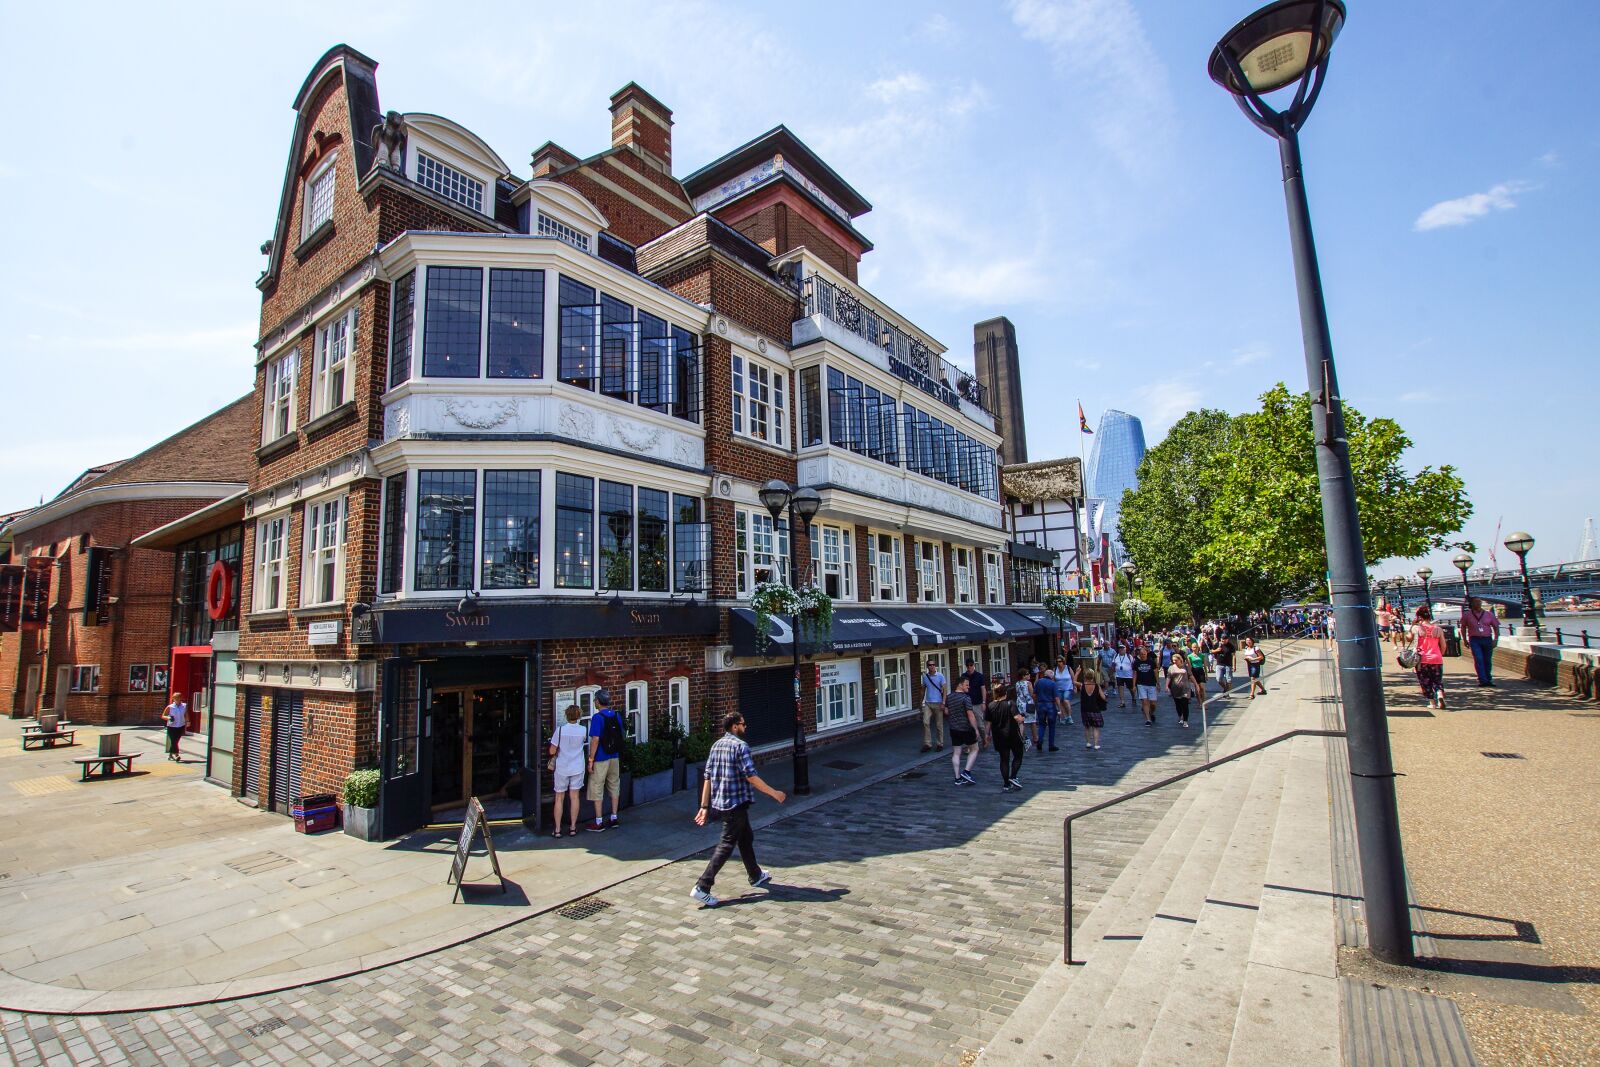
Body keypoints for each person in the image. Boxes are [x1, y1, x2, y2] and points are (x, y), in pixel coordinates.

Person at [691, 712, 786, 908]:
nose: (745, 728)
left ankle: (755, 875)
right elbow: (750, 776)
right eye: (743, 724)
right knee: (726, 845)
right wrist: (774, 793)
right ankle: (702, 886)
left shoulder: (716, 745)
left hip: (723, 803)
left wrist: (704, 806)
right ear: (735, 727)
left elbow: (707, 777)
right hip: (736, 803)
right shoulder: (741, 747)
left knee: (745, 838)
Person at [585, 689, 626, 832]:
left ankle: (599, 821)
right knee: (614, 785)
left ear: (598, 701)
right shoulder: (616, 715)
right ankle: (614, 817)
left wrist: (590, 759)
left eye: (595, 700)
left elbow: (595, 739)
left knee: (597, 787)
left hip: (601, 757)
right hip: (614, 756)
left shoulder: (597, 717)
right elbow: (622, 734)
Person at [548, 705, 587, 838]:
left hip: (562, 767)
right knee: (574, 797)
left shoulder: (560, 730)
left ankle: (558, 829)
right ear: (579, 715)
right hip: (577, 766)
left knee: (559, 797)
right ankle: (573, 827)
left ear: (566, 715)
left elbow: (552, 751)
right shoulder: (583, 730)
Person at [984, 682, 1025, 791]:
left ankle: (1006, 784)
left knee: (1004, 760)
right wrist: (1022, 718)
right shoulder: (1010, 703)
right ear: (1005, 693)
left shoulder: (990, 705)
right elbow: (1017, 718)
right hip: (1012, 734)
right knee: (1018, 756)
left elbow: (988, 723)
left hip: (999, 736)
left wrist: (987, 736)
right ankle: (1013, 776)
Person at [1407, 606, 1448, 709]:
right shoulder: (1438, 629)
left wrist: (1412, 625)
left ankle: (1432, 703)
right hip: (1436, 658)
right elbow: (1443, 645)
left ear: (1419, 617)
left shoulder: (1416, 628)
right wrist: (1439, 654)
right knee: (1437, 680)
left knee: (1425, 681)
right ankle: (1439, 694)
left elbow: (1408, 639)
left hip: (1422, 660)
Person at [946, 676, 981, 785]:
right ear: (960, 685)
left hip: (954, 728)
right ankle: (966, 771)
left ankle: (957, 778)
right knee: (975, 749)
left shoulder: (949, 697)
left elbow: (947, 711)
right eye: (966, 685)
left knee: (956, 753)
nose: (968, 687)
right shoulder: (966, 698)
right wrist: (976, 729)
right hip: (966, 728)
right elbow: (970, 715)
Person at [1461, 597, 1500, 687]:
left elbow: (1496, 627)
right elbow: (1463, 627)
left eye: (1479, 602)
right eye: (1476, 602)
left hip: (1487, 639)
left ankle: (1488, 679)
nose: (1478, 604)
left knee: (1487, 660)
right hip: (1474, 639)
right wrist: (1464, 639)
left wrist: (1496, 639)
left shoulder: (1489, 614)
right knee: (1479, 659)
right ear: (1472, 604)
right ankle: (1482, 680)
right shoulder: (1467, 615)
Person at [920, 658, 948, 753]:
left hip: (938, 703)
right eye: (929, 665)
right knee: (926, 722)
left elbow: (945, 690)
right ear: (927, 667)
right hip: (928, 703)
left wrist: (943, 702)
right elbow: (923, 690)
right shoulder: (925, 677)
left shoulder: (940, 676)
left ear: (935, 666)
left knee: (939, 725)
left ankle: (940, 743)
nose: (931, 666)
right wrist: (921, 702)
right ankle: (927, 743)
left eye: (933, 665)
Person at [1132, 646, 1160, 726]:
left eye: (1144, 654)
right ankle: (1148, 719)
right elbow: (1135, 674)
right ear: (1139, 654)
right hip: (1141, 684)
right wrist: (1134, 685)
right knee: (1144, 701)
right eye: (1141, 654)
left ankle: (1151, 713)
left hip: (1151, 684)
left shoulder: (1151, 662)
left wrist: (1158, 683)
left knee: (1153, 704)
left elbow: (1156, 673)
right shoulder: (1136, 663)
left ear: (1147, 654)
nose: (1143, 655)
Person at [1079, 673, 1107, 750]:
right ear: (1093, 677)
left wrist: (1078, 672)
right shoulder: (1097, 686)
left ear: (1085, 677)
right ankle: (1096, 744)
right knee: (1096, 727)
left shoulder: (1082, 686)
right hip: (1095, 709)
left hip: (1085, 709)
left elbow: (1074, 681)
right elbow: (1103, 697)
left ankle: (1088, 743)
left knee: (1087, 727)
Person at [1166, 655, 1196, 726]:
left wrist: (1196, 684)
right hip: (1175, 688)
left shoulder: (1185, 666)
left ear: (1180, 659)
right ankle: (1180, 716)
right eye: (1173, 660)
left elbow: (1191, 675)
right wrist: (1166, 686)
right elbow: (1168, 677)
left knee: (1185, 704)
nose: (1174, 662)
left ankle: (1185, 721)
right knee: (1178, 704)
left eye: (1176, 660)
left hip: (1185, 688)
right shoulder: (1171, 667)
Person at [1034, 667, 1059, 752]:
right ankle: (1051, 745)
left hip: (1040, 704)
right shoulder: (1053, 684)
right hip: (1050, 705)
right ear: (1051, 676)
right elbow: (1056, 697)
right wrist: (1059, 708)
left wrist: (1036, 702)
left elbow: (1034, 694)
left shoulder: (1038, 682)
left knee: (1041, 724)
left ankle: (1040, 741)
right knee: (1052, 726)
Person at [1014, 668, 1038, 749]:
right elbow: (1032, 694)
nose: (1029, 675)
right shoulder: (1028, 683)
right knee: (1033, 721)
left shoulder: (1017, 683)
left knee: (1022, 722)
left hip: (1020, 704)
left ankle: (1020, 738)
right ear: (1023, 676)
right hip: (1029, 704)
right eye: (1027, 674)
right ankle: (1035, 738)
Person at [162, 695, 187, 761]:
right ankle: (176, 755)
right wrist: (169, 718)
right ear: (173, 699)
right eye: (176, 698)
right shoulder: (170, 707)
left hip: (180, 725)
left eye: (179, 698)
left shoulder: (184, 706)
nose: (178, 700)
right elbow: (163, 716)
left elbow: (186, 714)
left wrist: (188, 721)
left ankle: (170, 754)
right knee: (174, 741)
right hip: (171, 726)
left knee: (176, 741)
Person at [1053, 655, 1075, 728]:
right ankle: (1065, 717)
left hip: (1068, 688)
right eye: (1057, 661)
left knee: (1066, 700)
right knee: (1060, 703)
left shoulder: (1068, 668)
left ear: (1063, 661)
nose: (1058, 663)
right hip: (1058, 689)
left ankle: (1069, 716)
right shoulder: (1055, 669)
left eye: (1060, 661)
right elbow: (1053, 680)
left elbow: (1073, 677)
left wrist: (1075, 686)